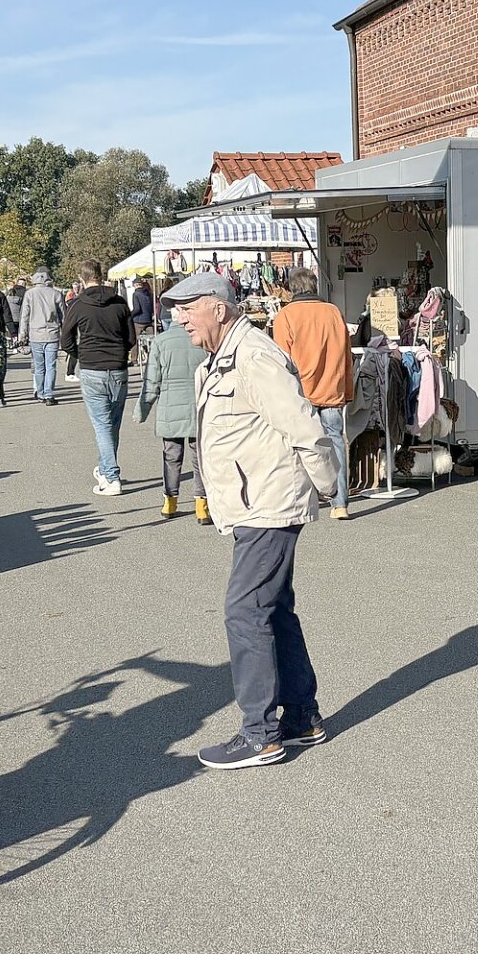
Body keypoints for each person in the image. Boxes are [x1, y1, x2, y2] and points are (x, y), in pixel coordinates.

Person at [167, 271, 337, 770]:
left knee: (244, 612)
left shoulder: (255, 355)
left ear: (219, 308)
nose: (178, 319)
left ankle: (260, 733)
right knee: (273, 608)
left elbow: (304, 424)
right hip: (253, 502)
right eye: (175, 310)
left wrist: (328, 486)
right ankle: (302, 718)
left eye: (187, 308)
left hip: (270, 503)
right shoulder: (223, 358)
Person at [272, 268, 355, 521]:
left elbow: (280, 361)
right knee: (335, 443)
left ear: (292, 288)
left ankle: (305, 497)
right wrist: (347, 389)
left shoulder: (285, 316)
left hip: (300, 391)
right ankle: (340, 503)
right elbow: (346, 355)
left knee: (300, 445)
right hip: (331, 389)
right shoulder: (333, 312)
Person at [60, 259, 133, 495]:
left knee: (102, 425)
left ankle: (111, 476)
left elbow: (66, 339)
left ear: (81, 279)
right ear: (102, 276)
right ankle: (105, 468)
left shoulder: (78, 304)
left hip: (92, 368)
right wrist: (119, 350)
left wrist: (81, 354)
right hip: (118, 367)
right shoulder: (120, 303)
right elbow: (131, 338)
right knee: (112, 424)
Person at [135, 314, 210, 520]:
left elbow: (152, 381)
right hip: (199, 405)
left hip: (170, 407)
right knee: (200, 457)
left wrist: (141, 410)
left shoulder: (161, 341)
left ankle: (170, 502)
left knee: (171, 456)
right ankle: (201, 505)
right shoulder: (202, 340)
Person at [17, 267, 66, 406]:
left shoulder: (29, 294)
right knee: (51, 366)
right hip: (52, 334)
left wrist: (22, 336)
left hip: (35, 335)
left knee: (39, 367)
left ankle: (40, 393)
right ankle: (49, 394)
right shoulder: (56, 294)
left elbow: (24, 317)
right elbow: (64, 316)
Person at [130, 277, 155, 361]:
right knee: (152, 339)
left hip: (139, 321)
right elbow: (152, 307)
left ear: (135, 285)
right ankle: (153, 356)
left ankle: (134, 359)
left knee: (135, 340)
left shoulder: (136, 294)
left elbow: (137, 308)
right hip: (148, 320)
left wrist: (130, 315)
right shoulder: (148, 293)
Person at [7, 276, 28, 341]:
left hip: (11, 316)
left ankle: (13, 343)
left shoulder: (11, 292)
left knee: (13, 333)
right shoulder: (26, 292)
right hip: (21, 315)